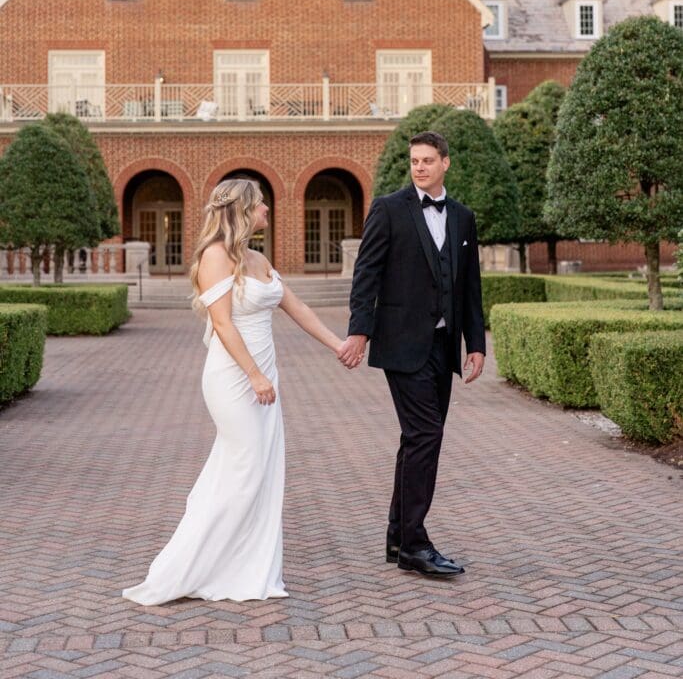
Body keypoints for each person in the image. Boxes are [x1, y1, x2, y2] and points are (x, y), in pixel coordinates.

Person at [122, 177, 345, 605]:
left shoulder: (258, 259)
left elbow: (296, 307)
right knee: (245, 471)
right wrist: (254, 375)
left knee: (259, 470)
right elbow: (223, 323)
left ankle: (243, 566)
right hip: (233, 377)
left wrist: (339, 346)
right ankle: (191, 567)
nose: (266, 211)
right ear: (242, 210)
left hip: (264, 379)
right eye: (260, 205)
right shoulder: (215, 256)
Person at [338, 131, 486, 579]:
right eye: (414, 160)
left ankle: (398, 536)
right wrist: (359, 332)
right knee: (425, 436)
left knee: (418, 438)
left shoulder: (462, 217)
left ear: (446, 163)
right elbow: (367, 274)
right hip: (402, 343)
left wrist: (475, 343)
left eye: (427, 160)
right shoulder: (388, 208)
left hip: (444, 345)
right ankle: (415, 545)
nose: (419, 167)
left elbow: (470, 286)